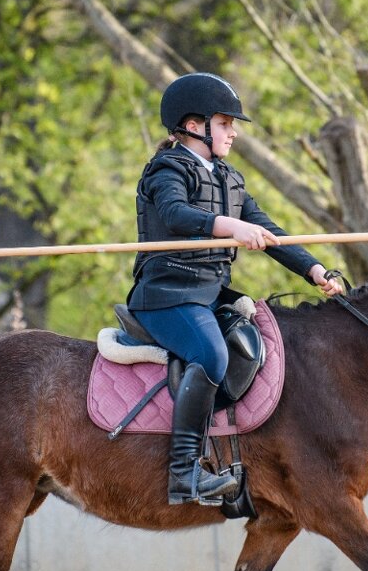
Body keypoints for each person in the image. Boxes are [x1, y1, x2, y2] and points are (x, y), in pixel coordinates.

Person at [127, 72, 344, 507]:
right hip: (167, 296)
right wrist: (231, 227)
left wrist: (315, 270)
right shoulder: (166, 169)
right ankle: (184, 473)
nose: (234, 133)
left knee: (257, 348)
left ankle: (240, 464)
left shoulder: (230, 178)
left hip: (210, 295)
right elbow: (174, 213)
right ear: (194, 126)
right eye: (225, 123)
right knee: (211, 355)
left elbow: (267, 230)